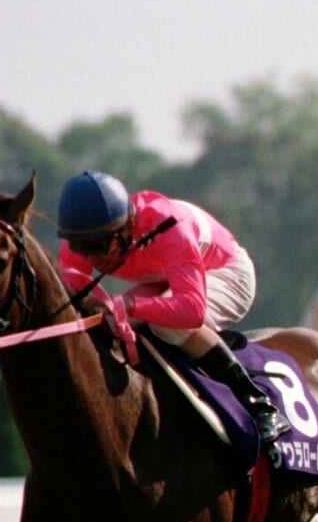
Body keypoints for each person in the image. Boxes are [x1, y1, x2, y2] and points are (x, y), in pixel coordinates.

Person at [56, 170, 291, 446]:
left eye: (102, 246)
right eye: (83, 249)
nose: (94, 258)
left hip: (225, 271)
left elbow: (192, 310)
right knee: (108, 325)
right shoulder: (84, 238)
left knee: (167, 325)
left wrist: (131, 304)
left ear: (128, 228)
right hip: (162, 276)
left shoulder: (170, 227)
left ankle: (258, 404)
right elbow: (75, 295)